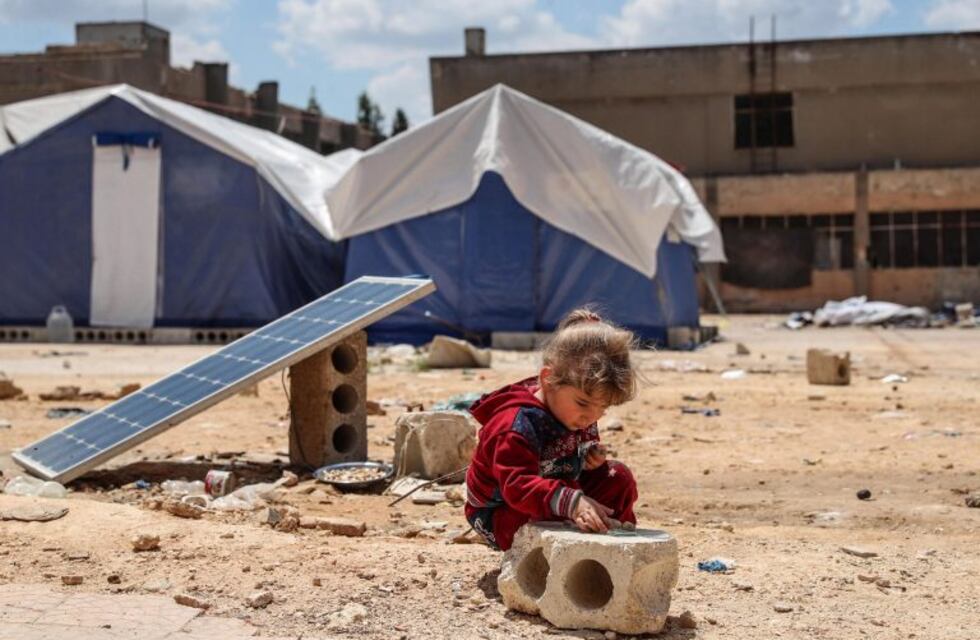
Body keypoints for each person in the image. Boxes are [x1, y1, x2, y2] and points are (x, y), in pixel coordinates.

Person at [464, 308, 639, 551]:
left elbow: (572, 459)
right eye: (583, 403)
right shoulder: (514, 425)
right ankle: (563, 556)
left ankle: (615, 546)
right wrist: (573, 503)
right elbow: (517, 488)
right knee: (551, 512)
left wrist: (590, 461)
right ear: (548, 379)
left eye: (604, 407)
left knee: (617, 477)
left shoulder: (573, 411)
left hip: (557, 490)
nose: (592, 416)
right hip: (502, 512)